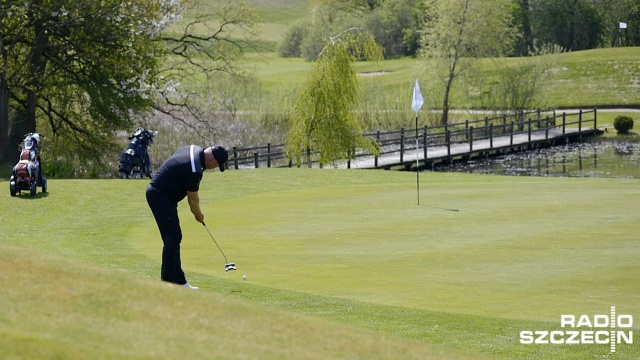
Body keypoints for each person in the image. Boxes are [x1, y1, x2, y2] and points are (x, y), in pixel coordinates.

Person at [146, 145, 228, 290]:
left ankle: (180, 282)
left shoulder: (193, 148)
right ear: (213, 161)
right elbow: (193, 199)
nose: (214, 167)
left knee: (175, 237)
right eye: (216, 165)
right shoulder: (195, 169)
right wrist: (199, 215)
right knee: (172, 238)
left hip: (164, 195)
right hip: (159, 195)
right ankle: (168, 282)